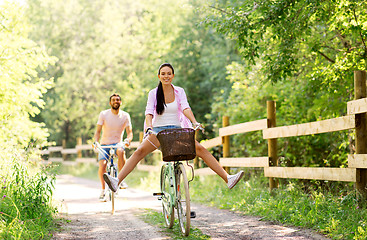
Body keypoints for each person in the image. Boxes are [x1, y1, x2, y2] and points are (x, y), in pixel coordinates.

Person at [103, 63, 244, 193]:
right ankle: (117, 181)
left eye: (169, 73)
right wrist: (149, 128)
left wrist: (194, 122)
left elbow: (185, 107)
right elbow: (149, 113)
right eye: (163, 74)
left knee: (200, 149)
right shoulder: (153, 93)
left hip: (177, 131)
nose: (166, 76)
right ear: (159, 76)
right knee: (139, 152)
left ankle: (228, 179)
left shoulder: (179, 91)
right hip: (158, 132)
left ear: (173, 76)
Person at [94, 93, 133, 202]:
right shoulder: (103, 114)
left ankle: (121, 180)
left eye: (117, 100)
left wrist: (127, 141)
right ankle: (102, 190)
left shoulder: (125, 115)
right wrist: (96, 142)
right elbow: (97, 131)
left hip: (117, 144)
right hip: (104, 145)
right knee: (102, 165)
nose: (116, 101)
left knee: (121, 151)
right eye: (113, 100)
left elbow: (129, 133)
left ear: (120, 102)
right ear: (110, 102)